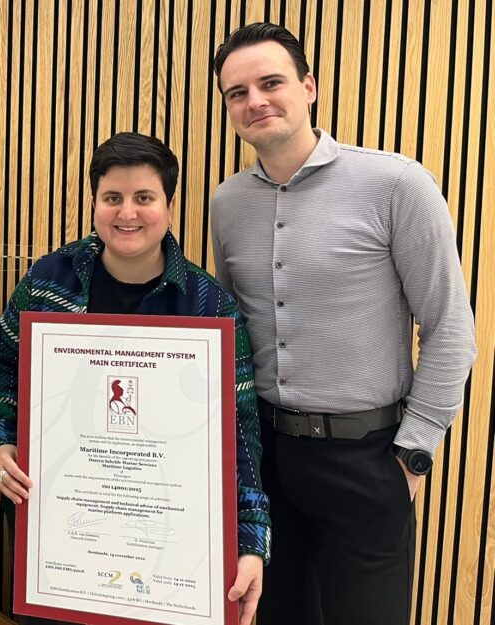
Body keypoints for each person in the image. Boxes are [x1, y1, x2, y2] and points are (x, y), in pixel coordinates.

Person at [210, 22, 477, 625]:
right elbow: (233, 336)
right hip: (268, 460)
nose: (255, 101)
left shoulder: (395, 184)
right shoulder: (228, 203)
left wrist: (412, 457)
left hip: (370, 459)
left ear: (308, 88)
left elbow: (451, 329)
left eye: (271, 82)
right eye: (237, 92)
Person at [0, 132, 271, 625]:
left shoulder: (209, 307)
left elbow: (240, 435)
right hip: (60, 534)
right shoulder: (50, 280)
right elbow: (3, 367)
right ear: (94, 202)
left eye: (144, 198)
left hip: (166, 549)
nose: (127, 213)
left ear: (170, 206)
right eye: (112, 198)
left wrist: (249, 541)